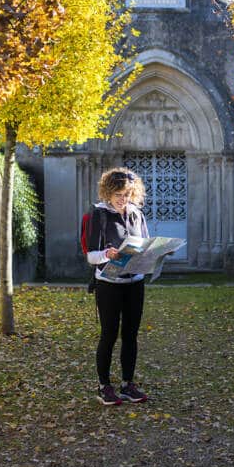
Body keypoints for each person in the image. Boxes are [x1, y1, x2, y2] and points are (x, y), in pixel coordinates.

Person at [85, 168, 150, 406]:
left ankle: (127, 385)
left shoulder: (137, 214)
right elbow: (91, 256)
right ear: (108, 192)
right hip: (108, 284)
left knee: (131, 335)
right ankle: (104, 386)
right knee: (109, 335)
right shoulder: (99, 215)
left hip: (134, 283)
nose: (122, 199)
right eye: (117, 194)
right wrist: (106, 254)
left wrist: (157, 253)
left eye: (126, 194)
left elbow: (144, 246)